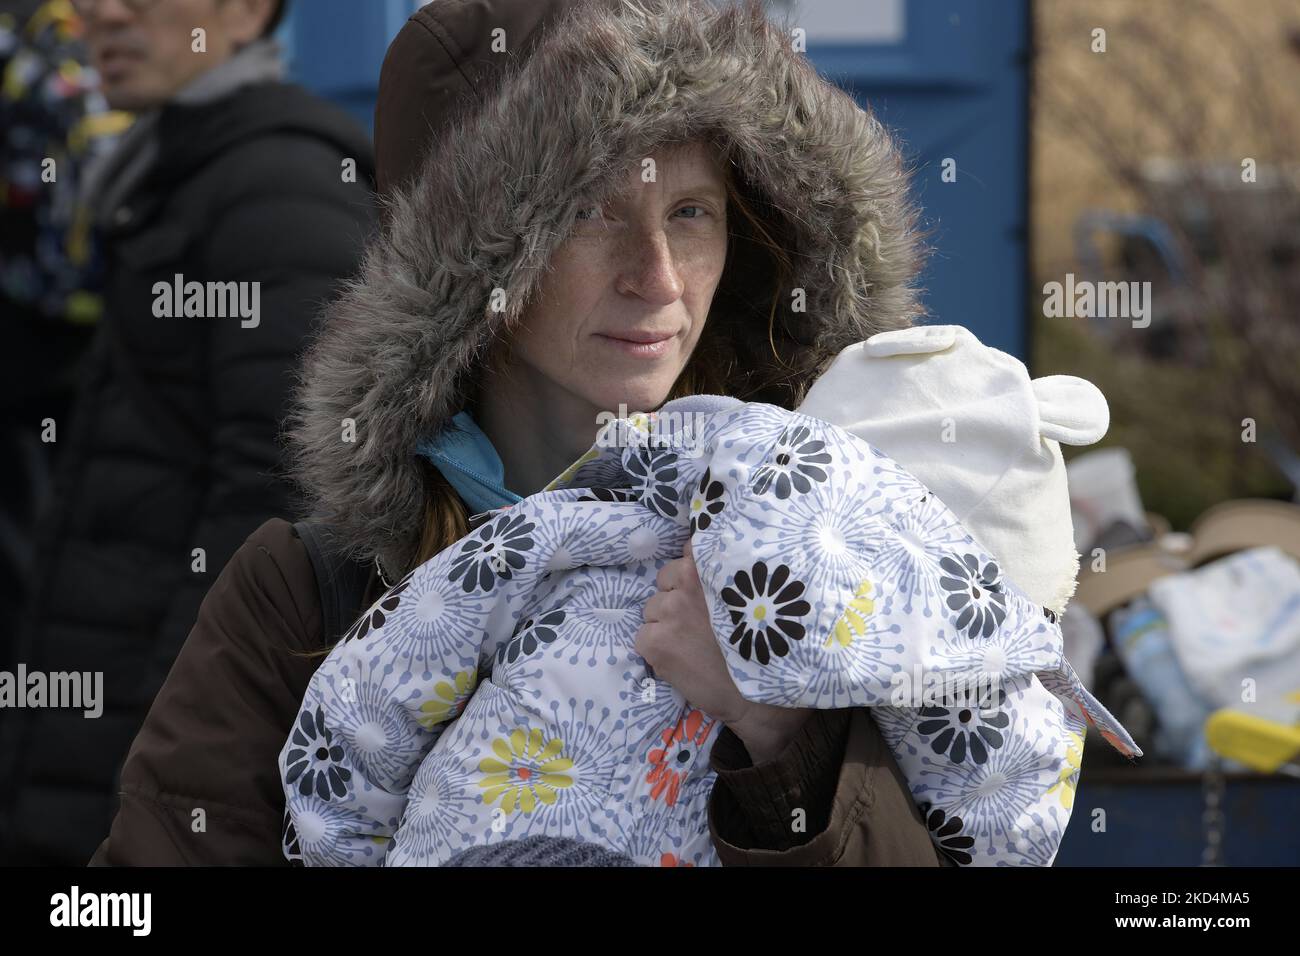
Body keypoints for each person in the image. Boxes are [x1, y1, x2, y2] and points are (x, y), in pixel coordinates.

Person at [91, 0, 950, 867]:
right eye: (592, 211)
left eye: (691, 213)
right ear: (475, 266)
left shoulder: (822, 553)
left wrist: (779, 733)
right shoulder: (309, 596)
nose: (657, 278)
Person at [0, 0, 377, 865]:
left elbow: (277, 497)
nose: (101, 12)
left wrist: (156, 755)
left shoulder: (275, 187)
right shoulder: (177, 173)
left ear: (246, 14)